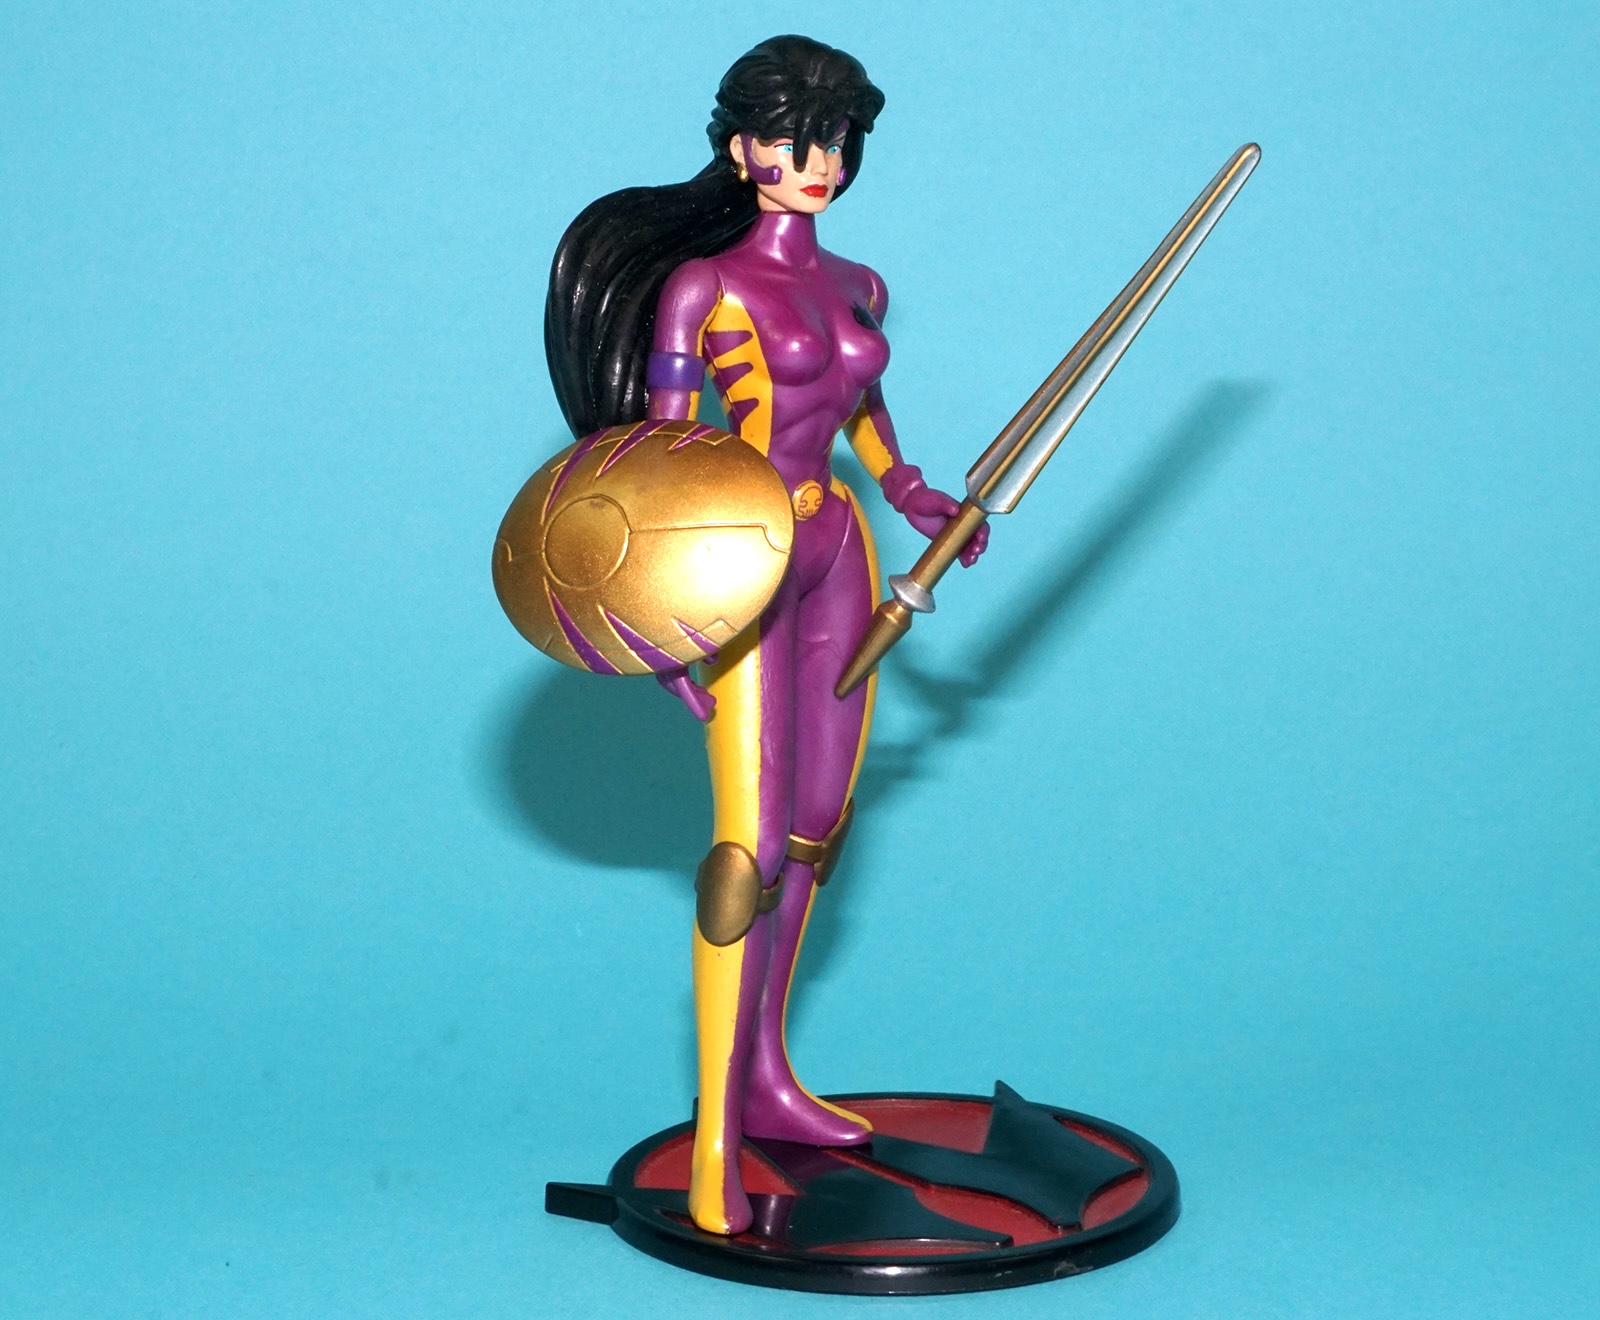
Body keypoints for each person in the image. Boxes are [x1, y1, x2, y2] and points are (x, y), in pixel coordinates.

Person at [545, 34, 986, 1236]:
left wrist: (913, 495)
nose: (819, 163)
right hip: (743, 564)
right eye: (796, 140)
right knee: (745, 849)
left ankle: (767, 1081)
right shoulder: (704, 287)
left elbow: (865, 409)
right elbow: (660, 457)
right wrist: (662, 626)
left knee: (817, 829)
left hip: (841, 549)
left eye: (836, 141)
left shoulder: (859, 284)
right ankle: (714, 1147)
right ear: (743, 147)